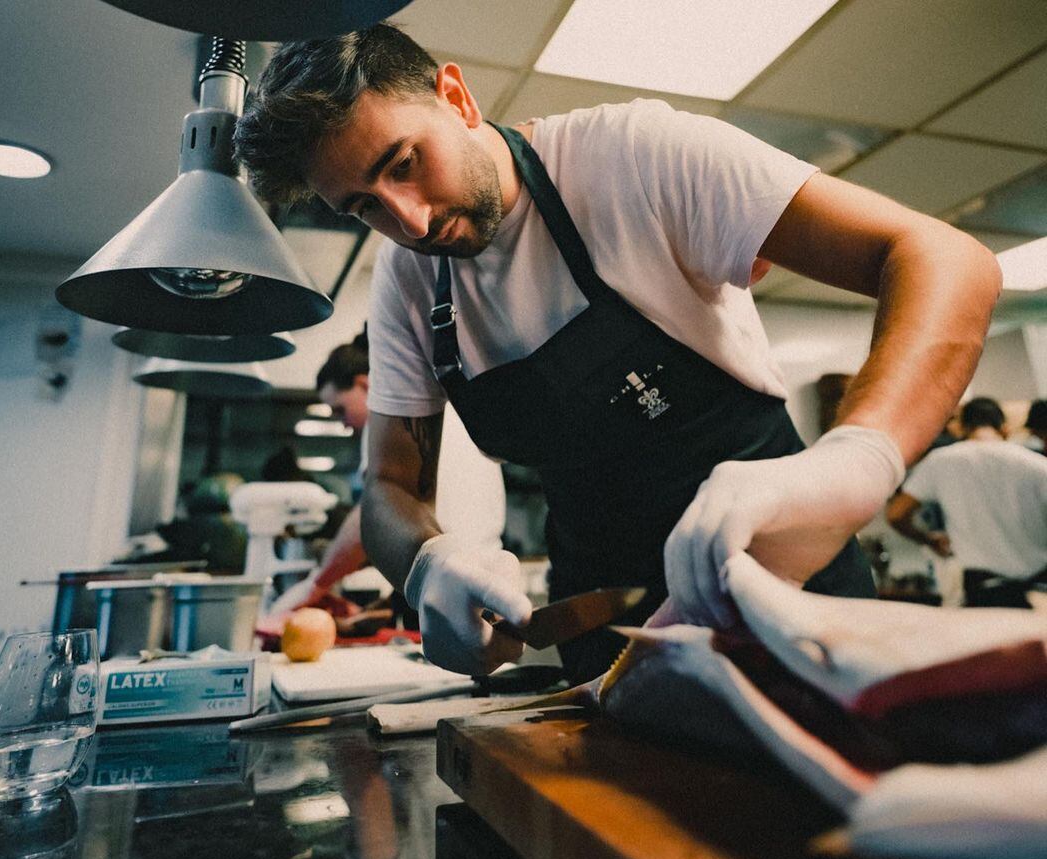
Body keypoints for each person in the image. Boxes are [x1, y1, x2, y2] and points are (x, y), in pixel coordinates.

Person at [235, 24, 1001, 682]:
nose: (408, 218)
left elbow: (944, 259)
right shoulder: (409, 283)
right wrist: (426, 561)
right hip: (605, 633)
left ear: (458, 98)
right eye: (363, 206)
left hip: (789, 591)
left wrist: (856, 458)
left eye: (403, 164)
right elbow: (390, 489)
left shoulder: (631, 156)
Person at [268, 327, 506, 621]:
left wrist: (315, 585)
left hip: (451, 591)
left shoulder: (387, 423)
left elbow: (368, 517)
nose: (343, 424)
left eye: (340, 409)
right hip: (490, 584)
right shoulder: (451, 411)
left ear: (365, 385)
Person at [886, 397, 1047, 607]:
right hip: (1040, 590)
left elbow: (896, 514)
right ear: (1004, 428)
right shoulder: (1036, 463)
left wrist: (929, 540)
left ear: (961, 428)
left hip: (984, 592)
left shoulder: (941, 461)